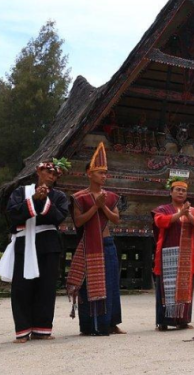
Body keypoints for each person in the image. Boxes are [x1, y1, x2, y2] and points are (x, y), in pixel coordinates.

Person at [0, 159, 71, 343]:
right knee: (21, 287)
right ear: (39, 171)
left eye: (54, 174)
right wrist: (32, 201)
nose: (51, 176)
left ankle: (42, 329)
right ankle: (22, 329)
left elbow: (58, 217)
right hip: (24, 243)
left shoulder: (60, 197)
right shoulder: (20, 192)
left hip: (48, 245)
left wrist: (44, 201)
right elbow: (13, 214)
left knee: (46, 287)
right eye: (48, 171)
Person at [66, 142, 126, 336]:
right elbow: (78, 221)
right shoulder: (79, 197)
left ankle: (111, 323)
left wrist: (103, 207)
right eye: (100, 172)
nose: (104, 176)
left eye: (105, 173)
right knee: (88, 286)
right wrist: (94, 207)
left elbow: (116, 219)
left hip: (107, 243)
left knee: (111, 284)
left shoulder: (110, 197)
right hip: (89, 245)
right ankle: (90, 325)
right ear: (89, 174)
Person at [152, 177, 194, 331]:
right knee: (166, 286)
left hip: (186, 255)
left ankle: (182, 320)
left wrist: (187, 214)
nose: (181, 193)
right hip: (168, 252)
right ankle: (163, 321)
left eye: (184, 190)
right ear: (171, 192)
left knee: (185, 286)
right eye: (178, 190)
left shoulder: (193, 210)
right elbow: (160, 222)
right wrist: (180, 213)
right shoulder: (163, 209)